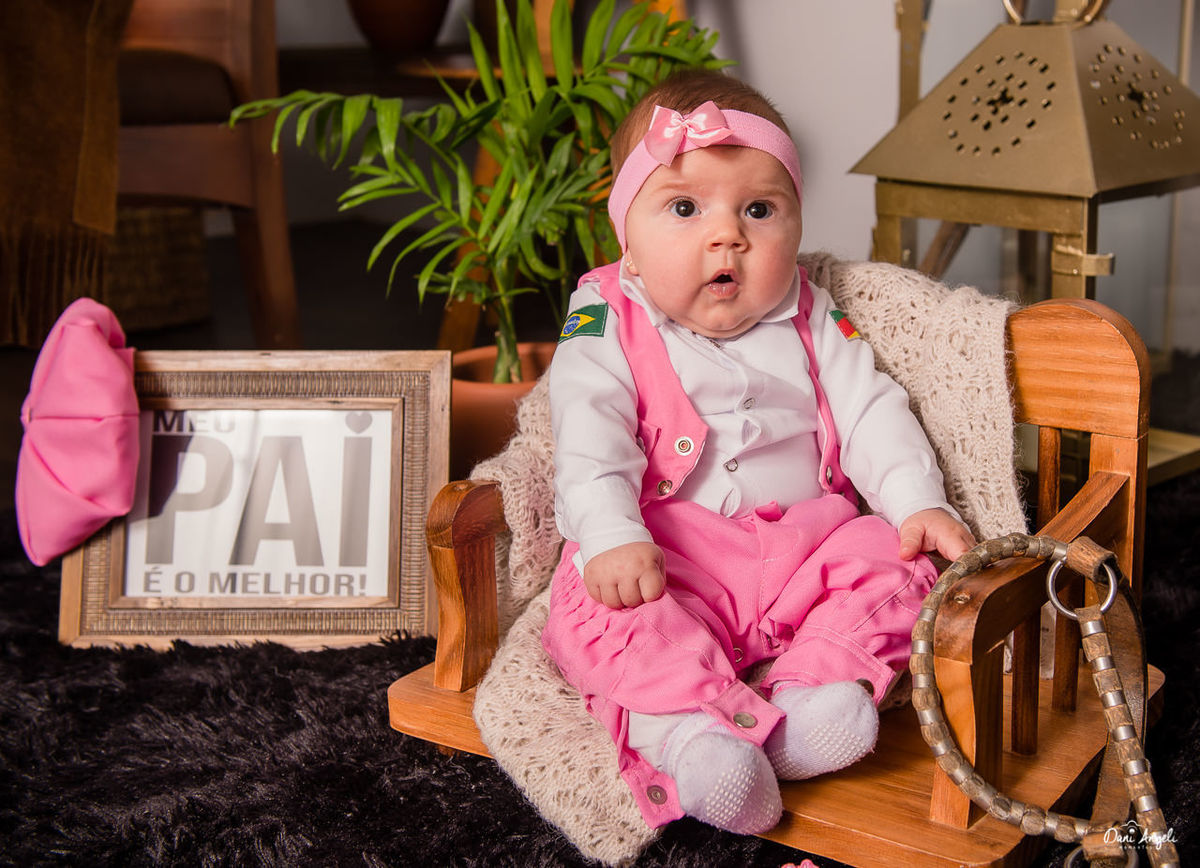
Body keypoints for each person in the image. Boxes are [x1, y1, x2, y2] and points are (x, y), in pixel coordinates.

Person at [542, 69, 975, 836]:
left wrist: (917, 500)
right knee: (596, 595)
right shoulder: (603, 313)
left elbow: (872, 407)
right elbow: (588, 427)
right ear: (627, 243)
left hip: (806, 549)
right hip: (673, 558)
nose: (728, 236)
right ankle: (695, 739)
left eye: (759, 210)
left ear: (797, 227)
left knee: (897, 557)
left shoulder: (812, 310)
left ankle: (810, 700)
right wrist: (610, 533)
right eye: (685, 208)